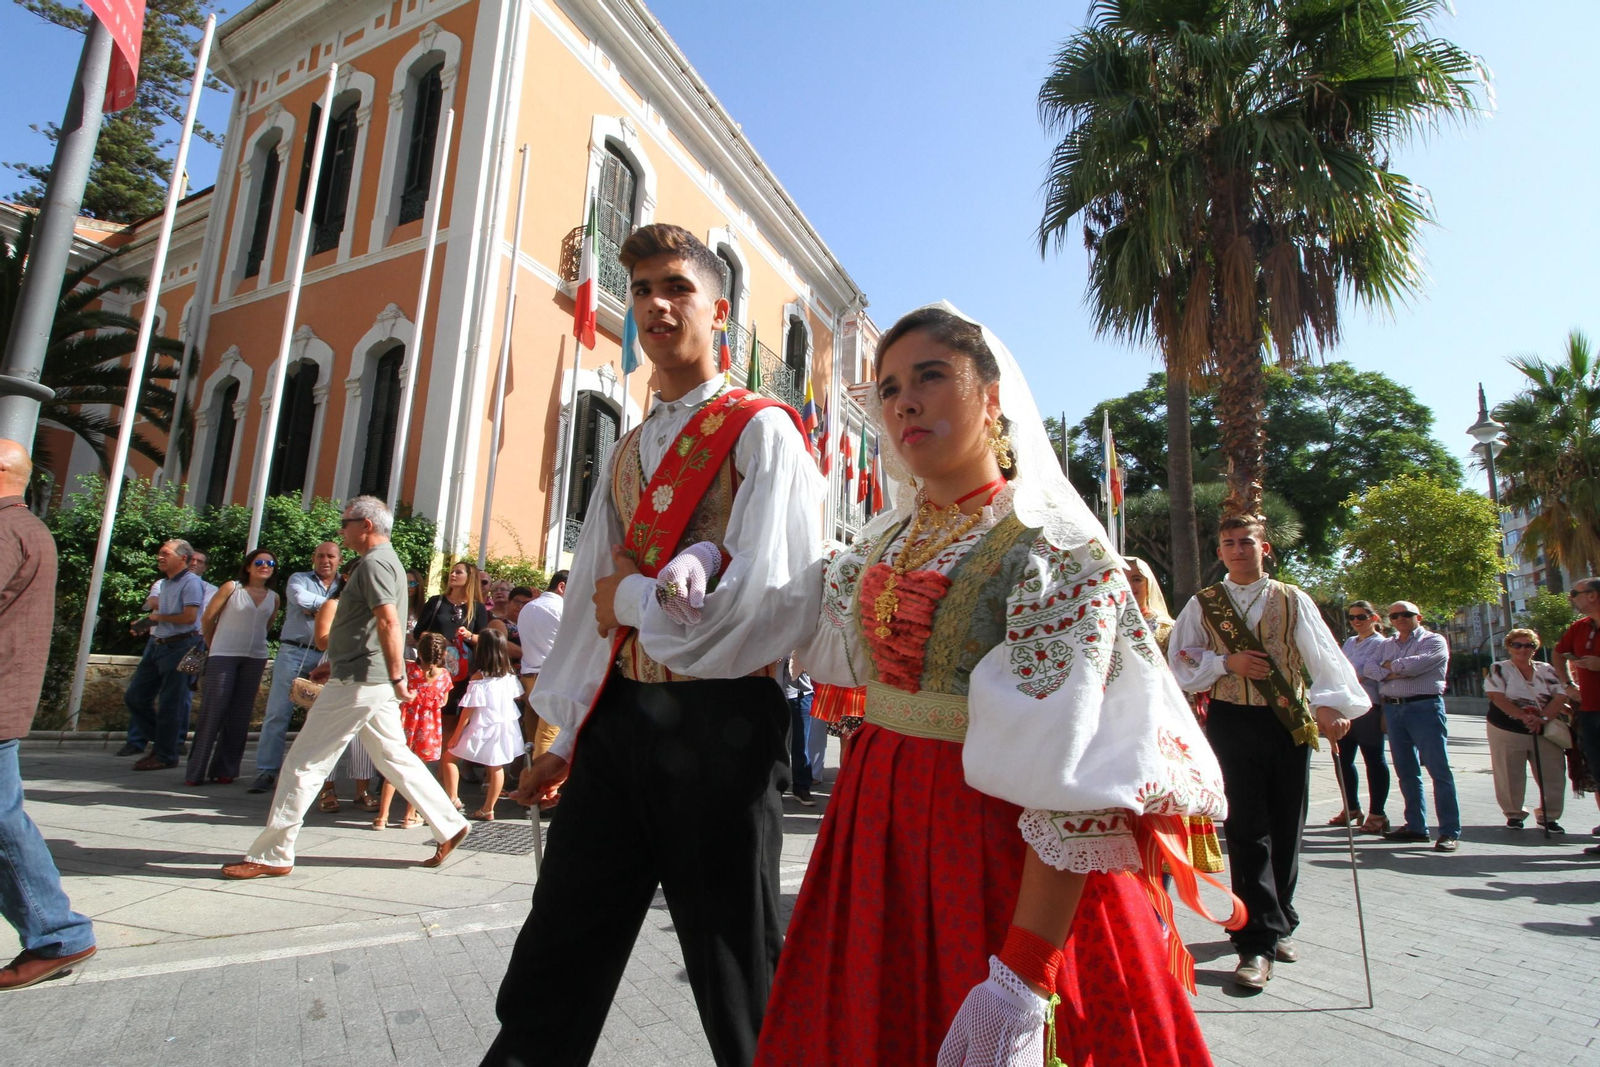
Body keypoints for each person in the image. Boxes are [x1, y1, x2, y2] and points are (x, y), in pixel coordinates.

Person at [725, 303, 1233, 1066]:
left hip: (992, 846)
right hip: (874, 830)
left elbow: (1076, 777)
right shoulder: (880, 542)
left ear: (992, 397)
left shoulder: (1052, 548)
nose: (904, 403)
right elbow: (770, 612)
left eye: (931, 377)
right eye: (890, 388)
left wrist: (1025, 969)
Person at [479, 224, 821, 1067]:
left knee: (736, 965)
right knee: (559, 945)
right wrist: (559, 731)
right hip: (619, 723)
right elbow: (593, 599)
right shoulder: (629, 446)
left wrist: (634, 598)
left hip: (722, 729)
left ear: (721, 311)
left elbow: (771, 606)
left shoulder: (762, 432)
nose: (656, 305)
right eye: (640, 290)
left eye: (675, 287)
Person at [220, 497, 469, 879]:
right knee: (394, 757)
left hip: (362, 681)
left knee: (303, 764)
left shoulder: (374, 564)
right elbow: (367, 627)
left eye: (346, 522)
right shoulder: (385, 563)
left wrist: (397, 675)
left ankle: (273, 854)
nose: (341, 529)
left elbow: (387, 623)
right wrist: (335, 663)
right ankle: (449, 824)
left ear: (365, 525)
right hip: (362, 676)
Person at [1169, 515, 1364, 990]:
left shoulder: (1292, 598)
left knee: (1285, 825)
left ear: (1265, 548)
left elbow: (1323, 656)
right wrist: (1223, 662)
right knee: (1246, 829)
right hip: (1232, 720)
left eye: (1246, 542)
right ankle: (1254, 941)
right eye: (1229, 544)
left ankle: (1281, 918)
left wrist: (1333, 706)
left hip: (1286, 722)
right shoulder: (1204, 603)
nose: (1237, 550)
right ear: (1219, 552)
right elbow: (1180, 658)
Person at [0, 440, 97, 990]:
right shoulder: (30, 529)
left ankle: (57, 932)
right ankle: (56, 931)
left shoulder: (8, 531)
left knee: (3, 819)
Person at [1126, 555, 1223, 876]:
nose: (1130, 583)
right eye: (1123, 576)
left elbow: (1184, 679)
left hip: (1160, 732)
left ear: (1149, 583)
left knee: (1165, 811)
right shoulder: (1104, 622)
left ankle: (1163, 885)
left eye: (1137, 578)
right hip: (1119, 731)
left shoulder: (1167, 630)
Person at [1365, 601, 1460, 851]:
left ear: (1419, 616)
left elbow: (1417, 665)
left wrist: (1390, 668)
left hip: (1424, 708)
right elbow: (1369, 669)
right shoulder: (1386, 644)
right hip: (1393, 709)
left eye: (1405, 614)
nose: (1399, 619)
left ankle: (1449, 831)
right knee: (1406, 772)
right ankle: (1416, 826)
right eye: (1394, 615)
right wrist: (1398, 669)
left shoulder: (1434, 640)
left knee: (1439, 771)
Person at [250, 542, 341, 793]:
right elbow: (301, 599)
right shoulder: (298, 579)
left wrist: (319, 609)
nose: (325, 560)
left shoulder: (346, 583)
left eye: (331, 556)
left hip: (328, 656)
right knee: (278, 713)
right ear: (314, 558)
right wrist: (334, 607)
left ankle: (306, 774)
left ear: (339, 560)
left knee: (320, 719)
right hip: (293, 652)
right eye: (321, 555)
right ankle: (267, 771)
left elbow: (353, 608)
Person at [186, 548, 281, 786]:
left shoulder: (274, 597)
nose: (264, 566)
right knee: (213, 712)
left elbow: (266, 626)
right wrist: (214, 645)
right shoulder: (232, 588)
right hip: (224, 655)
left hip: (254, 657)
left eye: (270, 563)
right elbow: (208, 618)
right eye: (259, 562)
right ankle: (195, 771)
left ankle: (226, 769)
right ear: (248, 566)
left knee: (240, 716)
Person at [121, 549, 218, 757]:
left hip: (188, 644)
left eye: (200, 561)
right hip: (156, 642)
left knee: (177, 699)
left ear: (205, 567)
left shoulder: (206, 588)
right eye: (193, 559)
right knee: (137, 696)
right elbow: (152, 603)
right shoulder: (163, 583)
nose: (194, 563)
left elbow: (198, 616)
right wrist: (152, 619)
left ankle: (170, 745)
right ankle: (150, 740)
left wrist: (161, 615)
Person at [311, 560, 380, 814]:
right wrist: (359, 636)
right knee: (330, 732)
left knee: (363, 733)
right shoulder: (334, 604)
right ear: (347, 576)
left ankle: (362, 790)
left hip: (365, 669)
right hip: (334, 665)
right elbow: (321, 640)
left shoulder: (373, 606)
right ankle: (327, 787)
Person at [1485, 628, 1571, 831]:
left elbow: (1560, 696)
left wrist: (1541, 719)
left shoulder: (1547, 669)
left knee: (1553, 772)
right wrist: (1524, 717)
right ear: (1509, 647)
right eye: (1517, 645)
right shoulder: (1499, 668)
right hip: (1506, 728)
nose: (1523, 649)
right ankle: (1514, 814)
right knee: (1509, 771)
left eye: (1528, 645)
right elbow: (1497, 697)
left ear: (1535, 648)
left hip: (1544, 727)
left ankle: (1549, 816)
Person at [376, 632, 454, 831]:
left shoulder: (408, 669)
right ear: (443, 654)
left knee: (393, 770)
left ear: (419, 652)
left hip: (404, 725)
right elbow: (443, 702)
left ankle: (382, 817)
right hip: (427, 730)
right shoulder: (444, 676)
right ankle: (409, 816)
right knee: (416, 772)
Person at [442, 629, 522, 820]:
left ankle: (453, 798)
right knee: (496, 766)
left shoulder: (479, 677)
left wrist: (456, 735)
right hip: (504, 726)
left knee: (448, 758)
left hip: (482, 726)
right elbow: (517, 696)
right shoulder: (509, 675)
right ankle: (488, 808)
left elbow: (468, 710)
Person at [415, 560, 491, 742]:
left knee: (450, 716)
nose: (453, 575)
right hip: (433, 667)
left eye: (458, 572)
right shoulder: (436, 602)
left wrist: (468, 635)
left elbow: (483, 638)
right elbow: (419, 632)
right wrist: (438, 639)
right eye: (452, 572)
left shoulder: (477, 608)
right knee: (425, 711)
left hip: (460, 672)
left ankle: (442, 764)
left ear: (468, 578)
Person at [1336, 601, 1393, 834]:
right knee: (1342, 759)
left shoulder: (1382, 643)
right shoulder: (1350, 642)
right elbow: (1338, 667)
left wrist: (1343, 677)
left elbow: (1360, 673)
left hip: (1369, 707)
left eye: (1362, 616)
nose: (1356, 621)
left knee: (1373, 759)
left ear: (1374, 618)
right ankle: (1351, 808)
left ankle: (1377, 813)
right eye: (1352, 618)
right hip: (1346, 707)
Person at [1553, 577, 1600, 852]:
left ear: (1593, 595)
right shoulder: (1580, 627)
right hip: (1590, 710)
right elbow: (1559, 654)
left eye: (1576, 593)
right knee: (1597, 769)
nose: (1572, 597)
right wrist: (1568, 685)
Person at [515, 570, 566, 760]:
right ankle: (539, 788)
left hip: (529, 678)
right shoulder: (562, 609)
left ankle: (528, 783)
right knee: (547, 738)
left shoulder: (528, 608)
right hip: (551, 679)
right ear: (562, 587)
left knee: (532, 739)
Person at [776, 656, 814, 806]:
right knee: (775, 746)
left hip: (801, 695)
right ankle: (775, 788)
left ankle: (802, 787)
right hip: (775, 694)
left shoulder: (803, 636)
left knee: (801, 744)